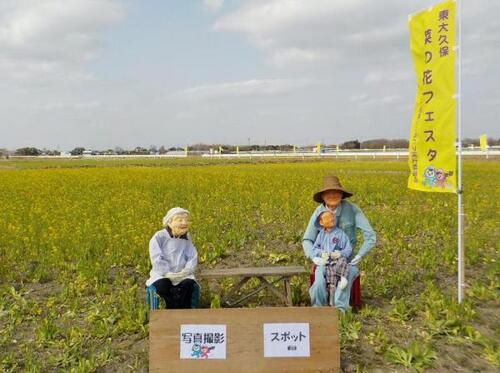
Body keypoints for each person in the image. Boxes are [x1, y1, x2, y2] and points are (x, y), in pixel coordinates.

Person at [303, 175, 376, 311]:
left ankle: (340, 313)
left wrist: (359, 255)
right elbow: (307, 240)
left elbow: (371, 236)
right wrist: (314, 257)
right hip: (324, 260)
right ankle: (319, 310)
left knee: (346, 277)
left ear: (342, 194)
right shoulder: (318, 213)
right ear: (323, 196)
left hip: (347, 261)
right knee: (319, 281)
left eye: (336, 191)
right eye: (328, 192)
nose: (332, 195)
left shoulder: (352, 209)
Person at [146, 207, 198, 309]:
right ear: (170, 222)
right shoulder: (159, 237)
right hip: (162, 274)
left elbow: (192, 255)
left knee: (188, 285)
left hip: (182, 274)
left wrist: (187, 270)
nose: (184, 223)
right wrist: (166, 272)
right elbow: (156, 257)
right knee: (162, 285)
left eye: (186, 220)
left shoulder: (187, 237)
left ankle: (185, 314)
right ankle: (168, 313)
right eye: (180, 220)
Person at [310, 210, 352, 306]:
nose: (331, 219)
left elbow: (348, 249)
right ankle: (318, 304)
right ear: (321, 222)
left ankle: (342, 280)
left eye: (332, 217)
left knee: (342, 262)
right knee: (319, 280)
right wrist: (321, 253)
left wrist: (340, 253)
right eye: (328, 218)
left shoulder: (341, 234)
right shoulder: (321, 235)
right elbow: (314, 249)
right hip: (324, 263)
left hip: (336, 262)